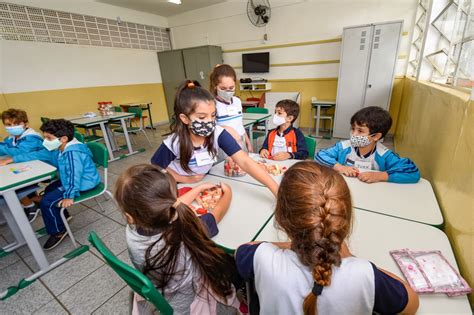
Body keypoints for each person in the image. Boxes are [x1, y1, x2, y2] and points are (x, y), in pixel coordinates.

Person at [236, 161, 419, 314]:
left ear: (282, 219)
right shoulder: (363, 275)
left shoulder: (263, 257)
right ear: (344, 219)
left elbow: (242, 250)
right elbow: (411, 303)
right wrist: (350, 257)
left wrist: (290, 244)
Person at [115, 164, 241, 314]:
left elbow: (166, 206)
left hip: (161, 285)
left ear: (129, 216)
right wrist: (228, 193)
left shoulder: (132, 231)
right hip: (188, 300)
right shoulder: (182, 232)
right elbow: (216, 215)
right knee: (232, 261)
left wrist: (197, 190)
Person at [151, 80, 278, 195]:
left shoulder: (218, 133)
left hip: (203, 181)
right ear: (185, 119)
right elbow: (156, 166)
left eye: (213, 115)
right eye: (201, 117)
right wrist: (182, 178)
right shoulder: (175, 142)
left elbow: (245, 162)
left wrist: (275, 189)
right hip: (179, 185)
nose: (210, 121)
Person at [0, 119, 101, 249]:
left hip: (83, 183)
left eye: (48, 138)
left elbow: (74, 176)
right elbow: (38, 154)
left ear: (63, 138)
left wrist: (69, 196)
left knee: (46, 202)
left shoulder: (72, 153)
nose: (45, 141)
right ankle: (63, 216)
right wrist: (12, 159)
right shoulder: (59, 147)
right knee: (49, 190)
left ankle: (58, 231)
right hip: (71, 180)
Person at [315, 106, 420, 183]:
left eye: (360, 131)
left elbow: (412, 171)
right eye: (353, 128)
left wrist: (380, 176)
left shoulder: (384, 155)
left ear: (376, 136)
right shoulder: (344, 147)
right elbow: (319, 155)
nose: (353, 134)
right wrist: (340, 167)